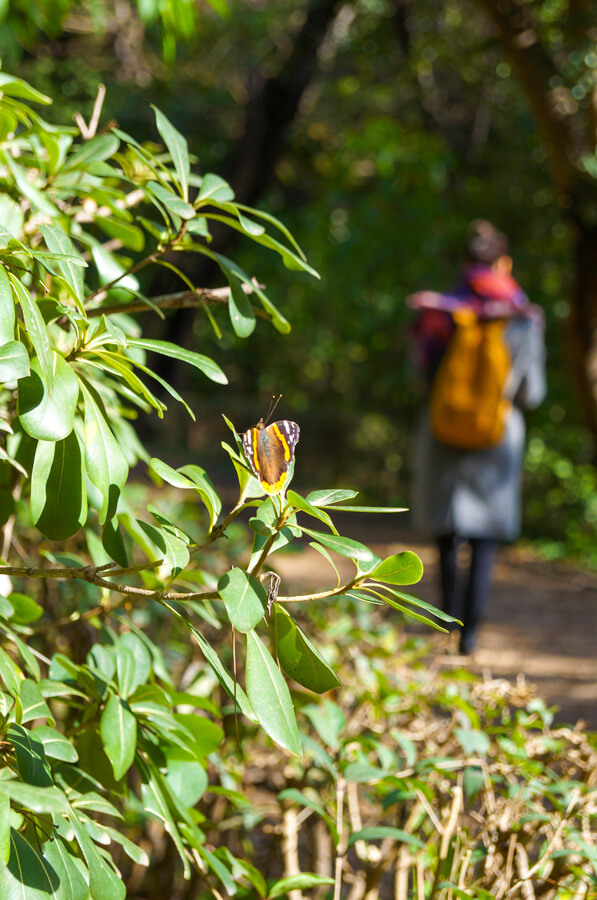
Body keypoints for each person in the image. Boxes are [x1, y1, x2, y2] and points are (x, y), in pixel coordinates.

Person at [408, 220, 546, 655]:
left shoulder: (442, 310)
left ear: (466, 263)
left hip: (443, 430)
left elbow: (418, 377)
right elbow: (533, 394)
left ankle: (447, 622)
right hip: (497, 437)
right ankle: (472, 634)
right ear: (503, 262)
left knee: (448, 533)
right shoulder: (523, 319)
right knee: (484, 538)